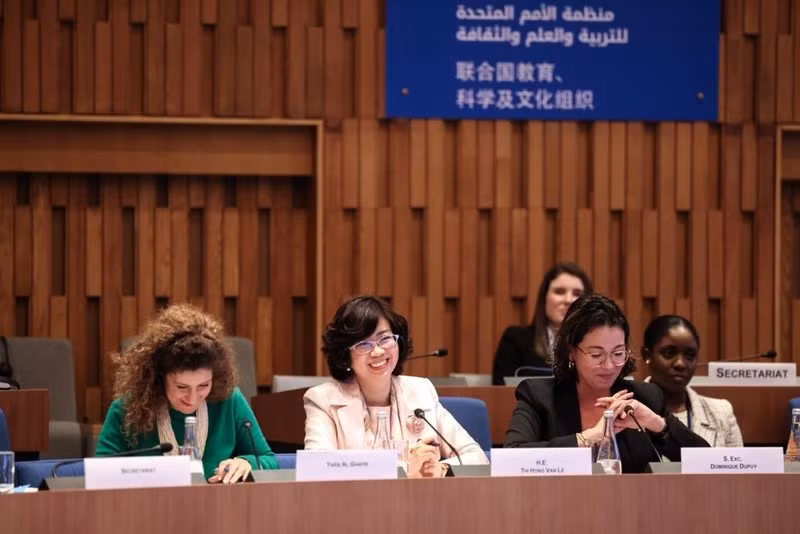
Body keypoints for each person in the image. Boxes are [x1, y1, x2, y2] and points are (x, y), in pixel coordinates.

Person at [504, 294, 709, 473]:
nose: (609, 365)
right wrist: (588, 438)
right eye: (596, 355)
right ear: (571, 351)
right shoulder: (539, 396)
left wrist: (657, 424)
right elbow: (511, 458)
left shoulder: (647, 396)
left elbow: (705, 462)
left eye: (618, 353)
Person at [304, 295, 488, 477]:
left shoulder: (421, 390)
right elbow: (317, 469)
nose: (377, 351)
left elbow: (477, 458)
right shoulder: (323, 400)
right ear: (345, 355)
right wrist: (408, 470)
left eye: (384, 339)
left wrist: (440, 469)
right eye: (363, 344)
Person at [95, 303, 278, 483]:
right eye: (182, 387)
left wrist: (246, 462)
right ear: (159, 378)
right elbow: (101, 473)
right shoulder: (127, 409)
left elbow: (269, 460)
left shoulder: (230, 400)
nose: (192, 399)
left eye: (203, 385)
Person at [642, 315, 743, 447]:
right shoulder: (622, 409)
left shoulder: (722, 413)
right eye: (669, 353)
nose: (680, 364)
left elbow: (738, 467)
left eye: (690, 355)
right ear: (647, 355)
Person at [492, 262, 592, 385]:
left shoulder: (600, 346)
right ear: (544, 298)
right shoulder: (516, 339)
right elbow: (500, 391)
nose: (568, 300)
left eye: (577, 294)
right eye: (559, 291)